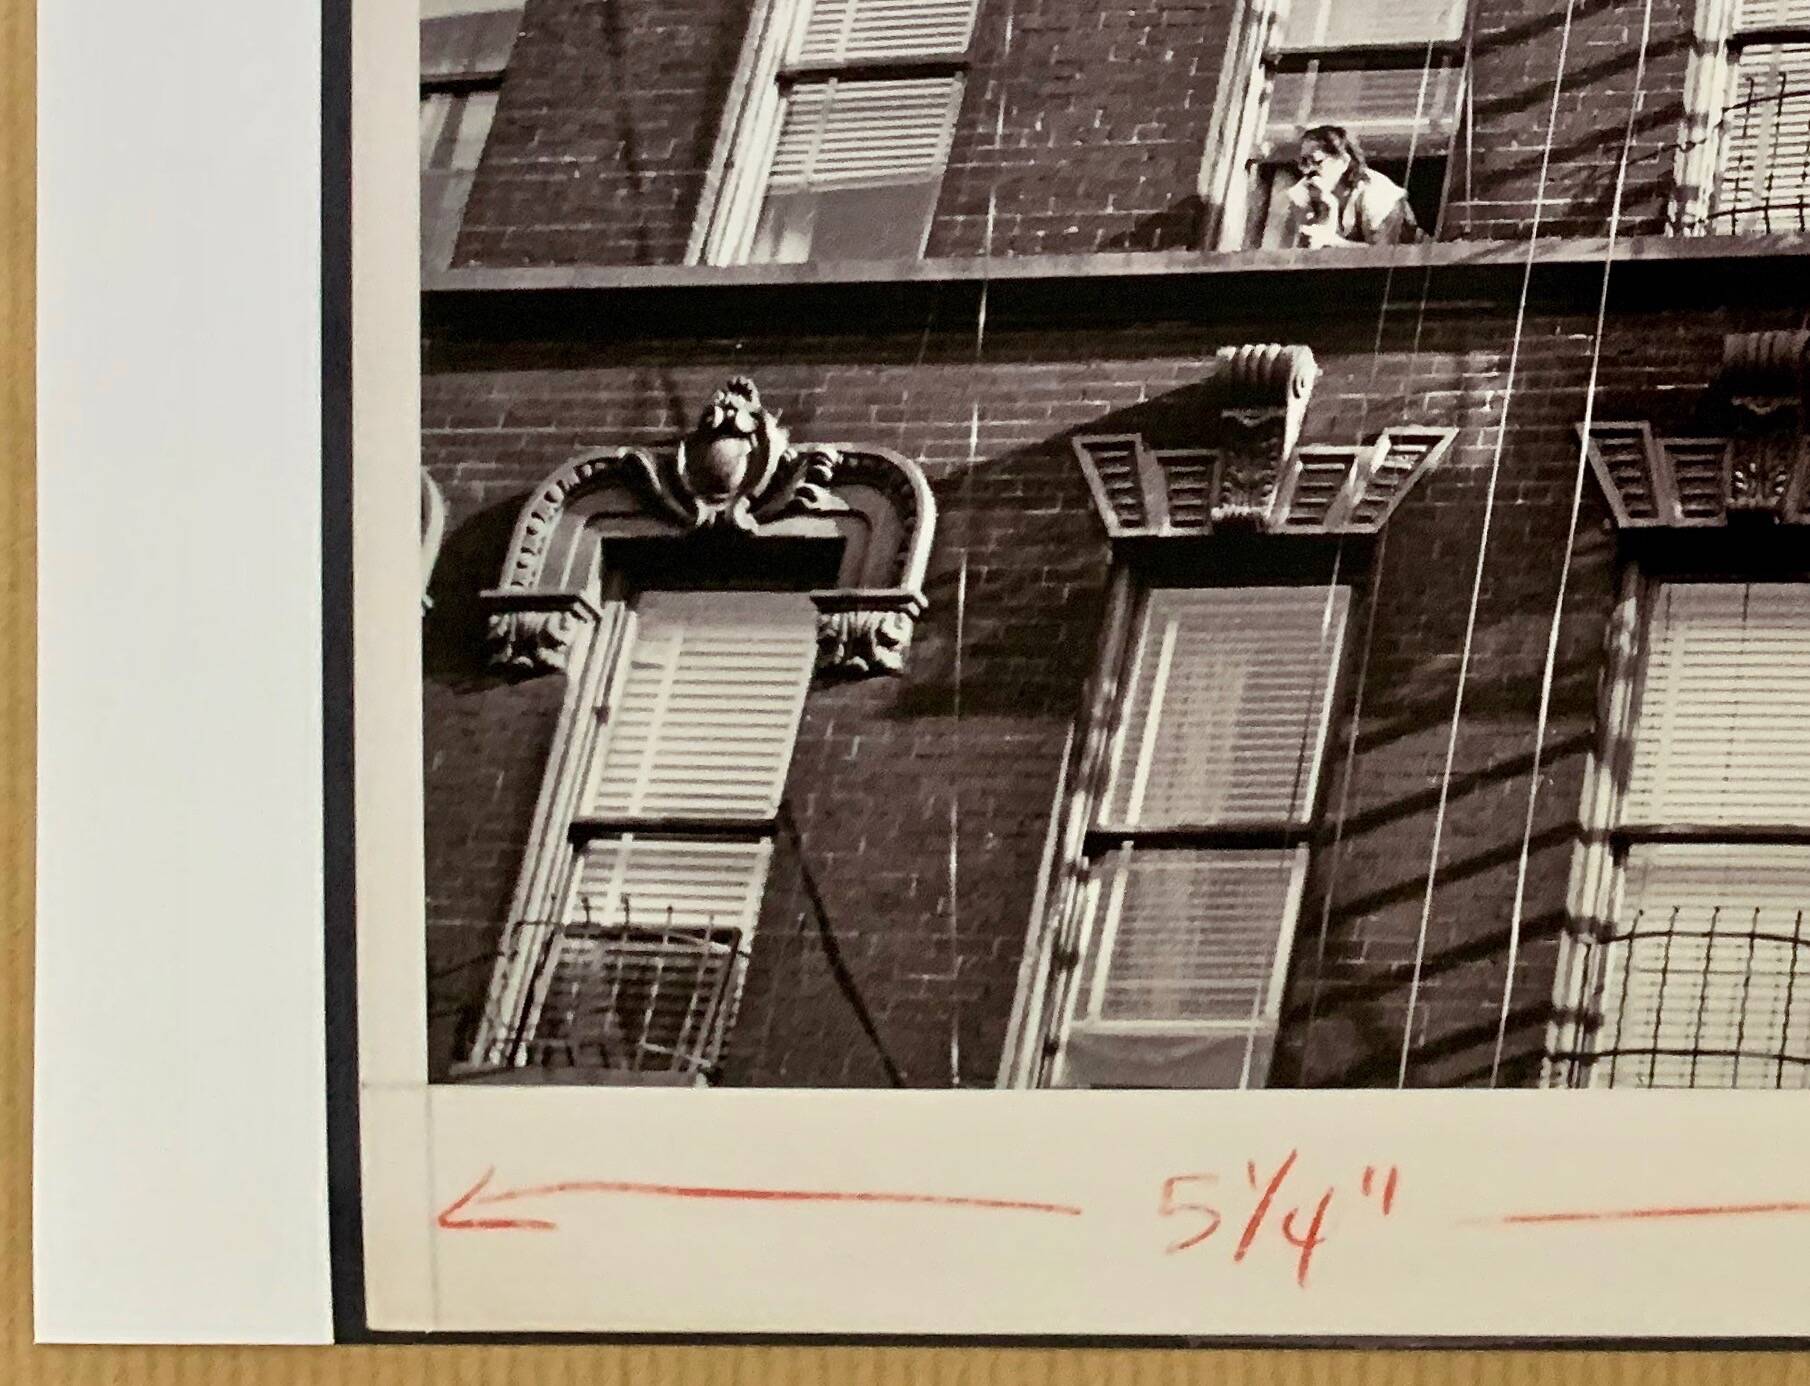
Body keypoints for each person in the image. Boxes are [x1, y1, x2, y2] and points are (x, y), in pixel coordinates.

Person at [1285, 125, 1424, 248]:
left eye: (1317, 162)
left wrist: (1334, 243)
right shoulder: (1308, 188)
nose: (1307, 171)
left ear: (1344, 160)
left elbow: (1384, 255)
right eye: (1304, 162)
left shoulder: (1377, 193)